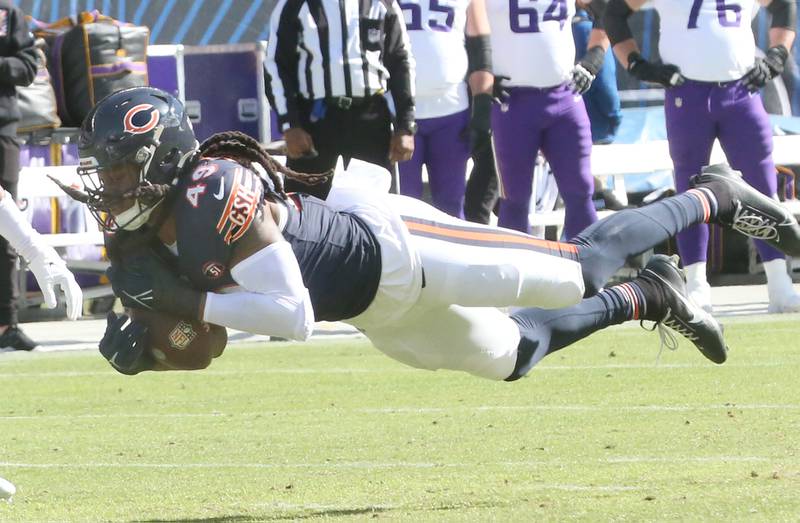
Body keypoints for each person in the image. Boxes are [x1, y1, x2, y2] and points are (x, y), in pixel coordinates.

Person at [60, 88, 800, 379]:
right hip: (376, 307)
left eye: (121, 171)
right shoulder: (143, 239)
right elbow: (208, 342)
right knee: (515, 354)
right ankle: (653, 297)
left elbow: (290, 314)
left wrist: (186, 306)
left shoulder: (210, 191)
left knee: (580, 266)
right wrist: (151, 346)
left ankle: (712, 194)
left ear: (160, 161)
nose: (111, 186)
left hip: (398, 245)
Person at [605, 0, 800, 313]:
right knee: (691, 194)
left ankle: (779, 282)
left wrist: (778, 52)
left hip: (741, 90)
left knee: (762, 188)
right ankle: (696, 284)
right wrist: (636, 63)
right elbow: (614, 12)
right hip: (687, 93)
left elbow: (783, 5)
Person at [264, 0, 416, 200]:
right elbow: (276, 64)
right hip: (316, 122)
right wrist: (290, 124)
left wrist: (406, 126)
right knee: (305, 209)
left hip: (370, 119)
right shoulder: (294, 4)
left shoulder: (383, 3)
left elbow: (401, 61)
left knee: (375, 208)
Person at [485, 0, 609, 238]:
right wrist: (479, 71)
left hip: (564, 97)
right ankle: (518, 272)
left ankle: (585, 271)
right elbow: (460, 25)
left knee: (581, 191)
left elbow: (609, 12)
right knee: (514, 198)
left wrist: (592, 60)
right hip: (512, 102)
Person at [396, 0, 493, 218]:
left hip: (451, 111)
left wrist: (483, 106)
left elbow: (481, 48)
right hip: (399, 111)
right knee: (401, 206)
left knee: (450, 206)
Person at [0, 1, 50, 349]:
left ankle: (6, 323)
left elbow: (29, 64)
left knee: (6, 228)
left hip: (2, 129)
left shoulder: (6, 12)